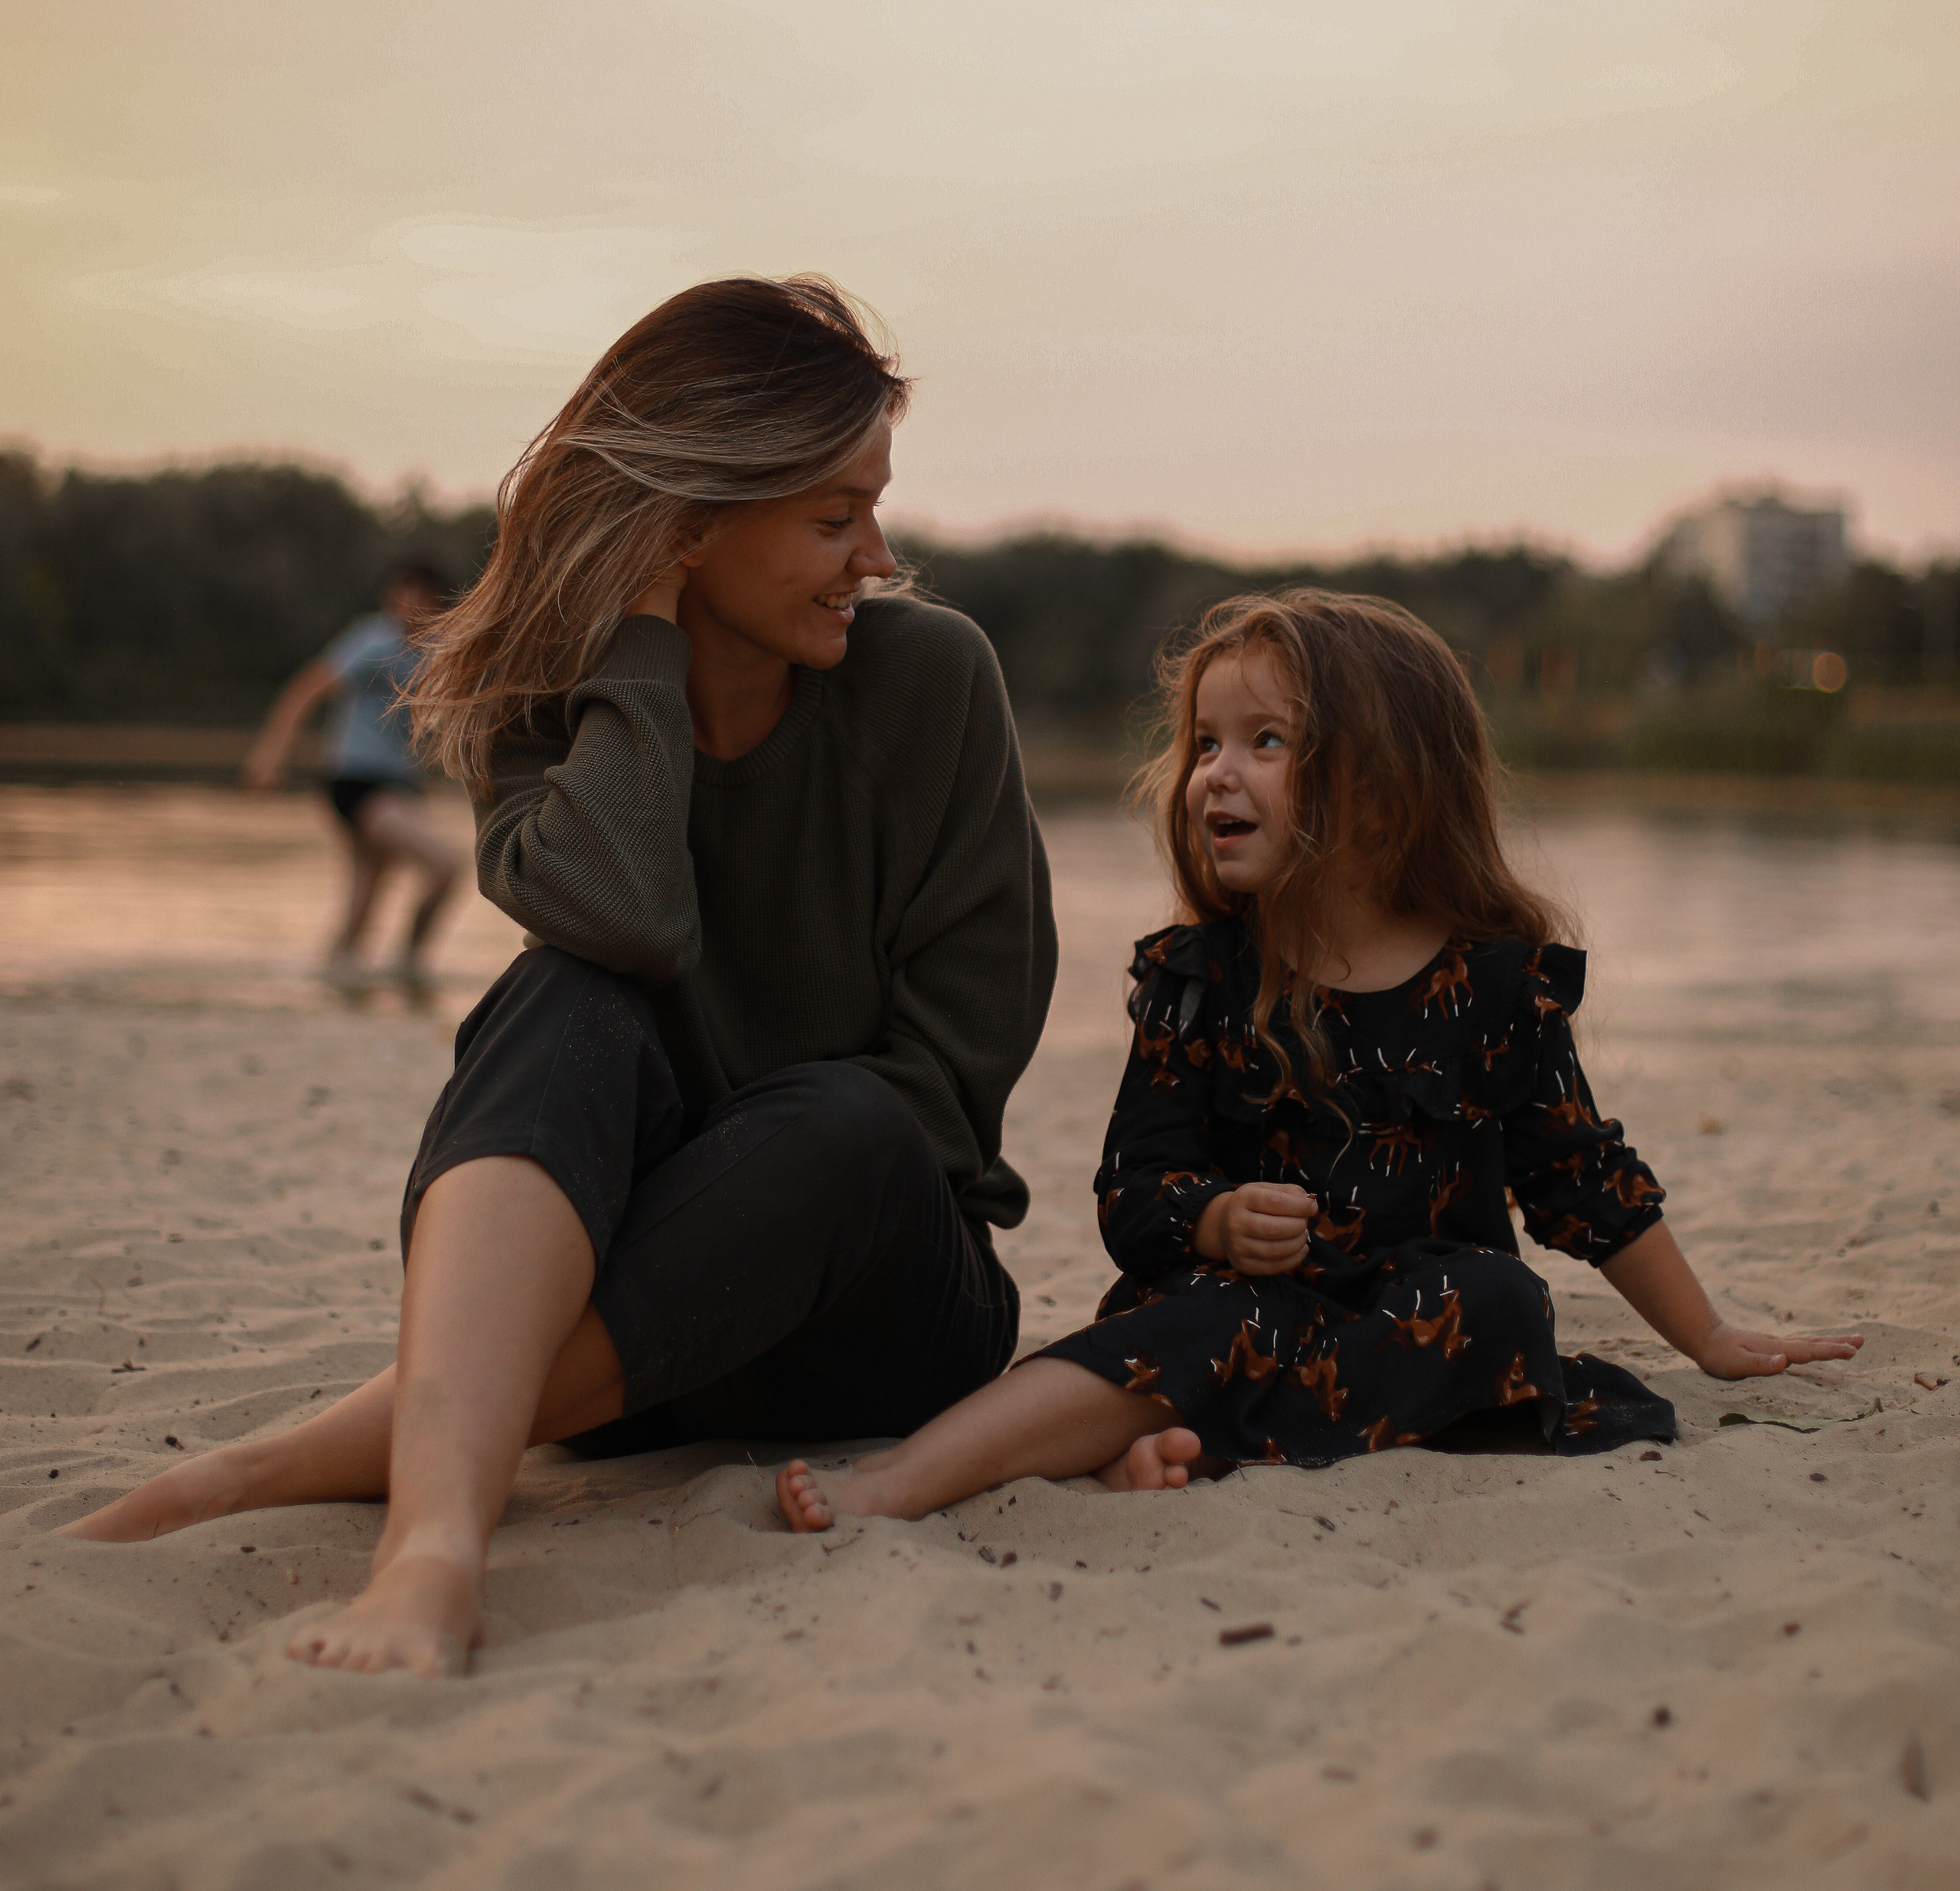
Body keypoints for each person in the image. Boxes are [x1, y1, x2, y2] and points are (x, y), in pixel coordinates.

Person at [65, 276, 1057, 1680]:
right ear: (690, 523)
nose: (878, 558)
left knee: (851, 1117)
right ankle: (434, 1546)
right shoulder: (547, 708)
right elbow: (629, 923)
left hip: (878, 1317)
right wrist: (641, 658)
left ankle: (283, 1463)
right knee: (558, 996)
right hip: (636, 1356)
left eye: (874, 510)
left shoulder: (935, 683)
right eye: (836, 518)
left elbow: (947, 1094)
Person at [776, 589, 1864, 1533]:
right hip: (1234, 1304)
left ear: (1386, 793)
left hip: (1412, 1320)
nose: (1216, 774)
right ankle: (903, 1481)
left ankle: (1178, 1440)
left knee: (1500, 1300)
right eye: (1206, 743)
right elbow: (1131, 1189)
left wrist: (1707, 1335)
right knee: (1216, 1324)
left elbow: (1582, 1177)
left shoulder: (1493, 987)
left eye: (1265, 742)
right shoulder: (1199, 979)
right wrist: (1213, 1220)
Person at [242, 560, 462, 987]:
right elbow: (306, 690)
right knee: (445, 868)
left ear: (438, 603)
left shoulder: (438, 651)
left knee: (366, 894)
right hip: (359, 783)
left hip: (398, 786)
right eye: (402, 590)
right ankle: (409, 968)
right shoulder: (374, 641)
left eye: (420, 593)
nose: (407, 601)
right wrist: (269, 755)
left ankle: (336, 978)